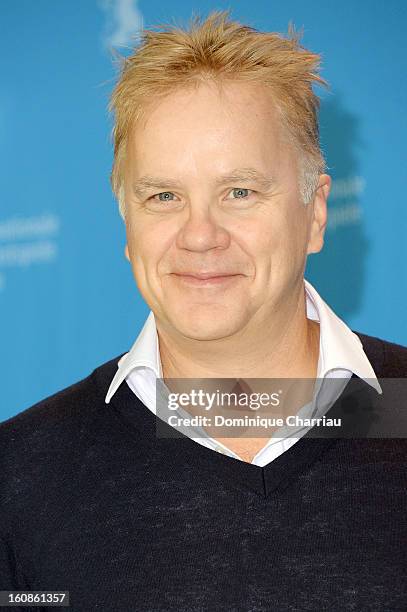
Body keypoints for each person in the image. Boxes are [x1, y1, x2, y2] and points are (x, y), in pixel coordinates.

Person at [1, 10, 406, 612]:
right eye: (164, 196)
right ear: (126, 219)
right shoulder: (20, 477)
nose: (200, 235)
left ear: (315, 211)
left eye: (239, 192)